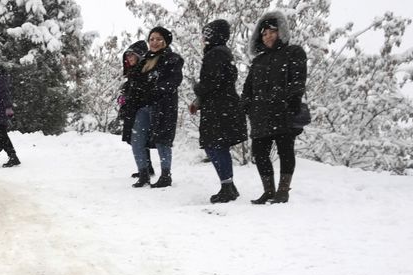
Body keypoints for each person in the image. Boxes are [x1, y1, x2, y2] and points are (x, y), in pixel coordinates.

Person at [241, 10, 307, 204]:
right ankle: (268, 191)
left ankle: (283, 190)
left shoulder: (293, 52)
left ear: (280, 32)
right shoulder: (258, 61)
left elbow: (298, 78)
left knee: (285, 151)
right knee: (259, 153)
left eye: (272, 31)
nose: (268, 36)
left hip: (284, 111)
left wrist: (294, 98)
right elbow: (248, 87)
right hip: (260, 114)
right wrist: (246, 104)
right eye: (264, 33)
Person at [189, 19, 248, 203]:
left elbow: (212, 82)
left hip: (219, 108)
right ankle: (228, 185)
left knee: (216, 145)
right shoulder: (221, 53)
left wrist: (198, 89)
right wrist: (199, 100)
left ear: (216, 35)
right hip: (222, 106)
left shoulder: (216, 53)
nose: (203, 38)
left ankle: (227, 187)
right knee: (215, 145)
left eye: (207, 34)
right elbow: (220, 81)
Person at [130, 27, 184, 188]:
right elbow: (136, 80)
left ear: (165, 42)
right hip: (143, 106)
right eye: (152, 39)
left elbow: (174, 81)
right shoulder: (144, 59)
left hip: (163, 106)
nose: (154, 42)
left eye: (159, 39)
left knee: (162, 140)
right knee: (137, 140)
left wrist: (156, 89)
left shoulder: (173, 59)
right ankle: (144, 174)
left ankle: (165, 175)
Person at [118, 40, 155, 182]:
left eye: (132, 55)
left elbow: (141, 92)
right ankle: (146, 167)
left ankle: (145, 170)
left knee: (138, 141)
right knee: (139, 141)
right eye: (127, 56)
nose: (129, 59)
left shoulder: (142, 72)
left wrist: (129, 99)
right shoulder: (133, 73)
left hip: (140, 111)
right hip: (134, 110)